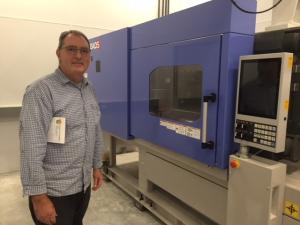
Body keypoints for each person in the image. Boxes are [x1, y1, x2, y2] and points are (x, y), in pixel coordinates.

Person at [19, 30, 104, 225]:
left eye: (84, 50)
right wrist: (39, 197)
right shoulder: (40, 91)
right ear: (58, 53)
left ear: (90, 57)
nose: (78, 55)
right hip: (54, 192)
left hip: (82, 187)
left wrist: (96, 165)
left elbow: (95, 130)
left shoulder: (89, 89)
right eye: (71, 49)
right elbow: (31, 148)